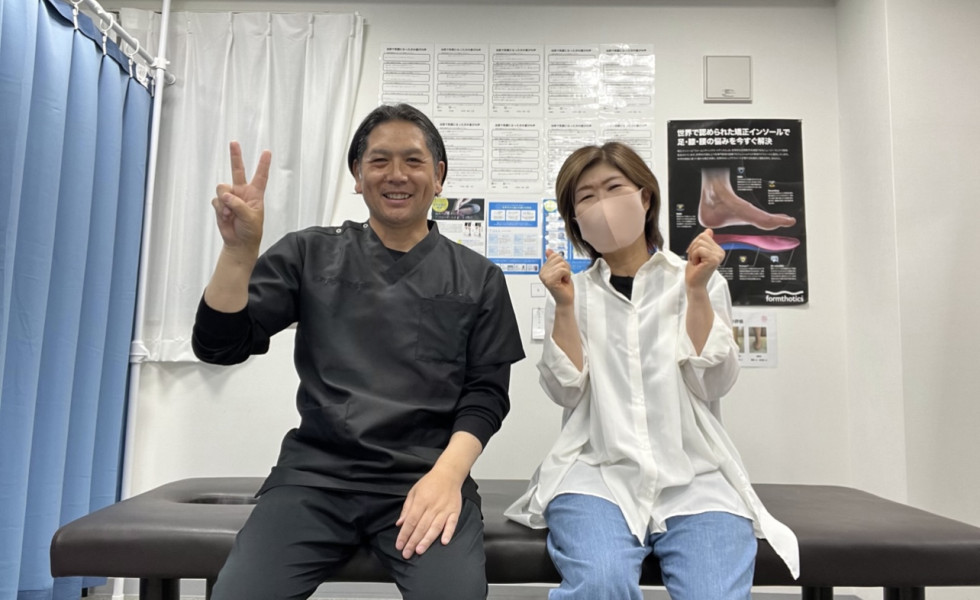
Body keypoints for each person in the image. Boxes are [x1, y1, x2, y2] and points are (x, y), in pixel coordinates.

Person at [193, 103, 525, 600]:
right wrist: (238, 254)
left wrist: (447, 475)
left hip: (425, 477)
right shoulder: (309, 254)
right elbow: (219, 345)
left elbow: (486, 396)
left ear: (438, 176)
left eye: (413, 161)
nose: (397, 175)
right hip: (315, 479)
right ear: (356, 175)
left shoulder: (479, 278)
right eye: (379, 161)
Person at [505, 142, 799, 599]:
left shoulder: (698, 279)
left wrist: (696, 293)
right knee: (600, 583)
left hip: (695, 479)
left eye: (613, 188)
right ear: (574, 219)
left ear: (645, 198)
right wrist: (563, 307)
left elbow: (713, 383)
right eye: (586, 197)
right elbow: (566, 391)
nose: (602, 205)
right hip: (597, 475)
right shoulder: (572, 292)